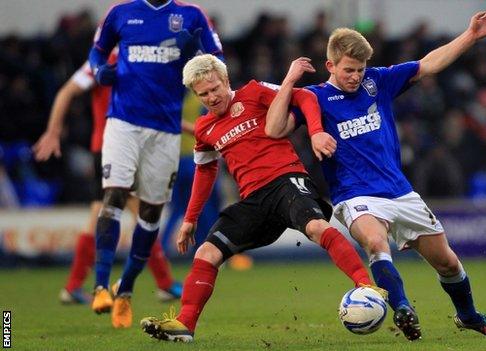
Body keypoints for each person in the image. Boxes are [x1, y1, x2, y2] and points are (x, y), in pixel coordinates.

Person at [266, 7, 486, 340]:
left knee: (448, 263)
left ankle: (468, 316)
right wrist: (290, 82)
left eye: (360, 69)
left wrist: (470, 35)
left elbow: (428, 64)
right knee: (376, 243)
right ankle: (403, 309)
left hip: (399, 191)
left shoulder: (376, 81)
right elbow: (275, 129)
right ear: (330, 66)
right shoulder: (314, 98)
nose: (355, 76)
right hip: (354, 194)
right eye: (349, 70)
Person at [139, 54, 383, 343]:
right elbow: (205, 172)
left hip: (286, 181)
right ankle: (185, 324)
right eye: (203, 94)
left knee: (317, 227)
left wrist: (316, 132)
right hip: (254, 201)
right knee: (206, 253)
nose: (212, 97)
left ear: (226, 81)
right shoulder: (204, 129)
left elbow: (304, 97)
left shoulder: (254, 91)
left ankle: (367, 287)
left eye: (215, 88)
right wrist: (190, 220)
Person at [88, 0, 224, 328]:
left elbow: (217, 59)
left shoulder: (191, 17)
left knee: (151, 214)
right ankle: (101, 287)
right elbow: (97, 52)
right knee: (114, 196)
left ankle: (127, 290)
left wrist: (203, 73)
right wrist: (99, 70)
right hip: (122, 123)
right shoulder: (120, 13)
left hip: (165, 130)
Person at [32, 51, 183, 305]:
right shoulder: (115, 58)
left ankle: (72, 286)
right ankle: (164, 283)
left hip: (108, 146)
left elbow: (67, 91)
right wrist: (53, 131)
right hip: (119, 146)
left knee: (98, 213)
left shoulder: (125, 56)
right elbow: (66, 92)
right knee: (143, 213)